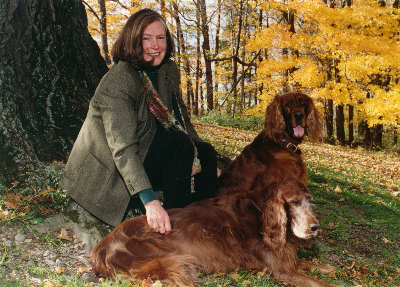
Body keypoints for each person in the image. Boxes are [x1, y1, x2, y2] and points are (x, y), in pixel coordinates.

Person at [62, 8, 219, 235]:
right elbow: (122, 148)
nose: (155, 46)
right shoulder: (119, 81)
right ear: (133, 40)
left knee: (205, 151)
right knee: (179, 144)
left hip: (145, 147)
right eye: (146, 38)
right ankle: (177, 227)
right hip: (111, 174)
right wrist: (151, 203)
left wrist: (206, 164)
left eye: (160, 38)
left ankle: (206, 222)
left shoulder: (168, 70)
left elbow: (180, 119)